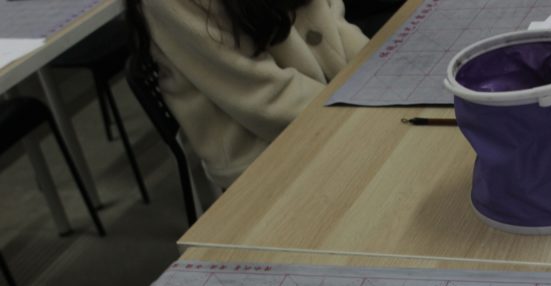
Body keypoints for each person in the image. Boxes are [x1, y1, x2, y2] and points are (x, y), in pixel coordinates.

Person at [126, 0, 369, 189]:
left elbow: (326, 18)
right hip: (264, 153)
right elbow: (263, 96)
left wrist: (372, 70)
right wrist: (357, 112)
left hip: (324, 103)